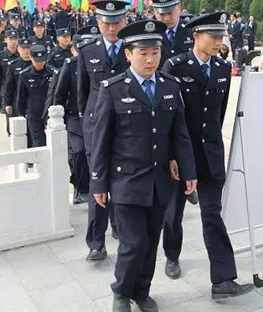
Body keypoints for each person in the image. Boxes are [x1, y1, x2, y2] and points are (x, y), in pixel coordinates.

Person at [90, 19, 197, 312]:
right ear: (128, 54)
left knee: (150, 243)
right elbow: (101, 140)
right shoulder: (112, 89)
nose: (150, 60)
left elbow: (180, 134)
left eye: (155, 52)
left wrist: (189, 172)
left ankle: (142, 291)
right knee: (133, 243)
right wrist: (98, 182)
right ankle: (121, 292)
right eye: (143, 53)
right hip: (126, 182)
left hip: (159, 182)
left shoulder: (170, 86)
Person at [162, 11, 255, 299]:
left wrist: (215, 144)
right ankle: (172, 255)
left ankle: (223, 280)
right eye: (213, 37)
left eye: (221, 37)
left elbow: (219, 112)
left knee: (212, 214)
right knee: (174, 211)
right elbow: (166, 115)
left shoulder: (223, 68)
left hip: (211, 153)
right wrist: (171, 155)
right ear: (196, 36)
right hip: (181, 155)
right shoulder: (175, 66)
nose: (219, 42)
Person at [77, 0, 130, 261]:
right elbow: (82, 93)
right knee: (97, 181)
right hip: (95, 126)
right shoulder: (87, 50)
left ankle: (120, 226)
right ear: (98, 23)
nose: (112, 28)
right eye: (107, 23)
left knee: (122, 180)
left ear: (125, 21)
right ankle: (96, 243)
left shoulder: (133, 49)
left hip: (124, 127)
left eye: (117, 22)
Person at [51, 26, 99, 205]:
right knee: (79, 152)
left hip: (97, 116)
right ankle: (81, 188)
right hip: (75, 118)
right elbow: (60, 94)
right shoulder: (71, 65)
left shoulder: (100, 63)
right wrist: (57, 118)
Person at [16, 45, 56, 147]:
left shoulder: (54, 73)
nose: (39, 63)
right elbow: (21, 97)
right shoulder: (25, 75)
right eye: (37, 61)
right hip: (34, 113)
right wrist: (22, 114)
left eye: (42, 61)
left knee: (53, 141)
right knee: (38, 141)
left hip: (51, 112)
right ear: (31, 58)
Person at [147, 0, 194, 65]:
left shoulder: (192, 30)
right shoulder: (150, 34)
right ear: (154, 12)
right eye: (161, 14)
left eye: (170, 13)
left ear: (179, 8)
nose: (166, 18)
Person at [4, 35, 32, 145]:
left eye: (28, 48)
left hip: (32, 100)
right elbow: (9, 86)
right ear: (18, 49)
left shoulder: (36, 63)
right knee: (19, 128)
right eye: (23, 48)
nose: (26, 51)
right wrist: (7, 103)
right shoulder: (13, 65)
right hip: (17, 100)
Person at [0, 30, 19, 116]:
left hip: (18, 89)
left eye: (15, 39)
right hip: (5, 89)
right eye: (11, 39)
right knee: (9, 115)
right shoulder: (0, 56)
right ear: (5, 40)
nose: (13, 41)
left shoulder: (21, 55)